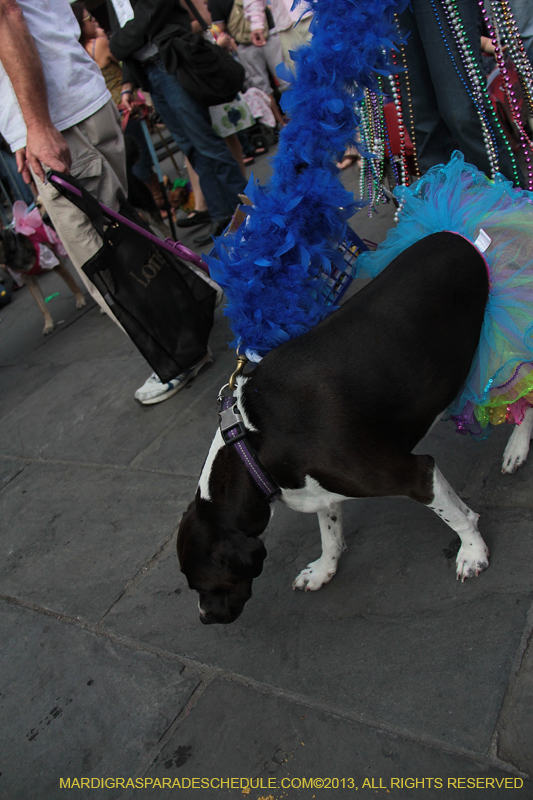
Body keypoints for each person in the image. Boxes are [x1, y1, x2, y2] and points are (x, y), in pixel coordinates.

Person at [0, 0, 211, 404]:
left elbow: (8, 15)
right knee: (124, 228)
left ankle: (180, 353)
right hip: (76, 103)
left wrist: (36, 124)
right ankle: (194, 296)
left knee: (102, 257)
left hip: (59, 118)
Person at [108, 0, 247, 247]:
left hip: (170, 62)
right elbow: (128, 39)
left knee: (205, 142)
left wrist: (118, 44)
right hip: (149, 71)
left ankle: (249, 209)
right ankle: (222, 216)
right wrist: (127, 84)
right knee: (191, 148)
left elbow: (142, 23)